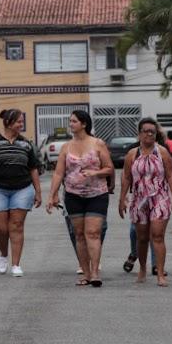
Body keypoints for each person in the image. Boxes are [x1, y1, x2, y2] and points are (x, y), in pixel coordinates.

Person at [46, 110, 114, 287]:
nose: (71, 124)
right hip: (73, 195)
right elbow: (59, 172)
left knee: (93, 233)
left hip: (97, 194)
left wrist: (95, 172)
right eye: (70, 121)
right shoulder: (66, 147)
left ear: (84, 124)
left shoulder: (98, 144)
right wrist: (52, 195)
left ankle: (95, 272)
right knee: (79, 235)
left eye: (74, 121)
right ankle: (85, 273)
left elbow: (109, 168)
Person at [0, 109, 42, 277]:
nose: (21, 125)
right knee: (0, 228)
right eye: (19, 122)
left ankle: (16, 265)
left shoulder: (26, 145)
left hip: (22, 189)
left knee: (17, 226)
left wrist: (38, 191)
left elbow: (33, 169)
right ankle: (3, 255)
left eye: (22, 121)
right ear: (8, 123)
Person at [118, 118, 172, 287]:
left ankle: (160, 273)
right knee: (142, 238)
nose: (149, 134)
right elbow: (126, 177)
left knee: (158, 236)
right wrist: (122, 199)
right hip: (139, 200)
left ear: (156, 134)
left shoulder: (162, 153)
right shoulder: (132, 154)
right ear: (139, 134)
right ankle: (142, 269)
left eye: (152, 131)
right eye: (145, 131)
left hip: (159, 198)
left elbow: (170, 175)